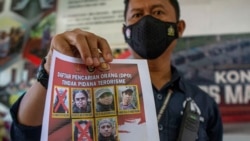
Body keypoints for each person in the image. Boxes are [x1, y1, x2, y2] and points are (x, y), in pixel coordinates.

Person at [9, 0, 223, 140]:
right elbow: (23, 134)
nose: (147, 21)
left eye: (158, 11)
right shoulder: (91, 87)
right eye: (137, 15)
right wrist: (51, 69)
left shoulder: (204, 103)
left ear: (179, 28)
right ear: (125, 31)